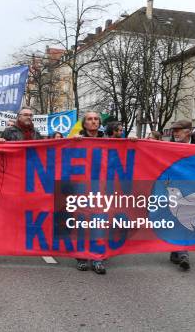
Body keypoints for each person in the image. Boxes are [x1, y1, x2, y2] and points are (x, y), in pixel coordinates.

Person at [168, 119, 195, 271]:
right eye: (174, 130)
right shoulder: (166, 146)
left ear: (188, 131)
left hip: (193, 189)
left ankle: (180, 252)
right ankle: (180, 252)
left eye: (179, 130)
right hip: (173, 188)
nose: (175, 133)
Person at [74, 111, 106, 274]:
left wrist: (133, 142)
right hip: (81, 187)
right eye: (89, 119)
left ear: (99, 123)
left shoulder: (109, 142)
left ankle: (97, 257)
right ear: (84, 123)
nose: (93, 122)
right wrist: (74, 144)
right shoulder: (75, 140)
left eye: (96, 119)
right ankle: (81, 256)